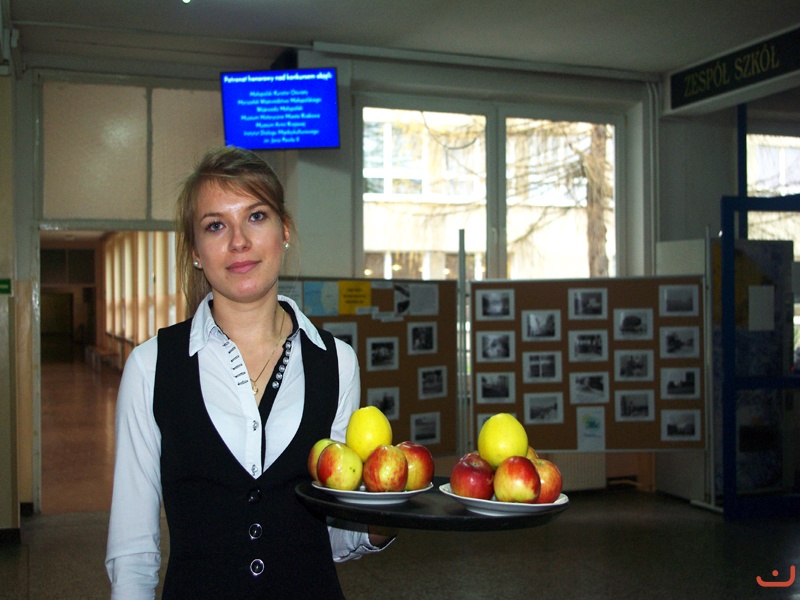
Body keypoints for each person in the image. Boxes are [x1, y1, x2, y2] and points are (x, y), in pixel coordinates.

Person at [105, 146, 394, 599]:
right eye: (215, 225)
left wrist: (382, 517)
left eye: (256, 216)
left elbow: (333, 536)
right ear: (196, 251)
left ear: (285, 230)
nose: (238, 241)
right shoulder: (151, 367)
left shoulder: (337, 362)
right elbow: (133, 551)